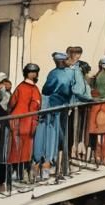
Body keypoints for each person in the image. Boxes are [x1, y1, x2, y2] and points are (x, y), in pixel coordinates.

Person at [35, 51, 92, 179]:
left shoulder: (53, 74)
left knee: (54, 136)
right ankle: (60, 166)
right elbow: (76, 90)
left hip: (54, 108)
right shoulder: (71, 73)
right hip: (64, 108)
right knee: (62, 136)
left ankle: (54, 166)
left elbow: (46, 90)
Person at [7, 63, 43, 184]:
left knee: (15, 148)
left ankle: (13, 174)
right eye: (34, 72)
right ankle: (23, 175)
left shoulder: (19, 87)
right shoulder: (34, 90)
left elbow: (11, 103)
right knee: (26, 150)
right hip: (27, 121)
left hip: (15, 119)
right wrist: (34, 122)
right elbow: (35, 107)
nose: (35, 74)